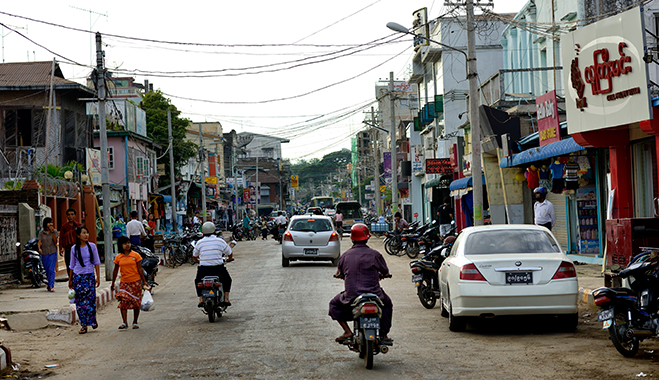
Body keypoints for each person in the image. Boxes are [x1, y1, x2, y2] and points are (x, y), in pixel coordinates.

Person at [328, 224, 393, 345]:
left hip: (352, 296)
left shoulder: (345, 256)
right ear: (367, 238)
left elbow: (339, 273)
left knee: (333, 304)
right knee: (387, 304)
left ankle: (347, 331)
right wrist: (385, 275)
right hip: (375, 295)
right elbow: (385, 271)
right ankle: (383, 335)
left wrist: (340, 275)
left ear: (352, 239)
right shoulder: (375, 255)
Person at [68, 226, 101, 334]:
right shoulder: (74, 248)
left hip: (89, 276)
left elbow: (96, 262)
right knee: (80, 302)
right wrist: (70, 280)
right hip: (78, 277)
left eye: (87, 233)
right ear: (78, 235)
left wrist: (98, 277)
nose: (86, 235)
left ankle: (92, 320)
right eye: (83, 233)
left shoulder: (92, 246)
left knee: (91, 300)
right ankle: (83, 324)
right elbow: (72, 265)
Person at [193, 222, 233, 307]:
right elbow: (229, 253)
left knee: (197, 281)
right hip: (218, 268)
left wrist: (198, 261)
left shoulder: (199, 242)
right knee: (227, 279)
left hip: (203, 269)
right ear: (214, 230)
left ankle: (201, 300)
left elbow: (194, 256)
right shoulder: (219, 241)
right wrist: (229, 259)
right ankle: (226, 299)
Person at [111, 236, 147, 330]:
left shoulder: (135, 255)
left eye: (128, 243)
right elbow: (115, 270)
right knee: (123, 301)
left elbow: (140, 269)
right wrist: (113, 283)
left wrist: (144, 281)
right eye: (125, 243)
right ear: (121, 245)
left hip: (136, 282)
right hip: (124, 283)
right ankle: (124, 322)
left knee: (136, 303)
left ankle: (135, 322)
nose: (127, 245)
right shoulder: (118, 257)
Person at [38, 217, 58, 292]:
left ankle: (51, 286)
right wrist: (39, 248)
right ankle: (49, 284)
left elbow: (56, 242)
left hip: (53, 252)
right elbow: (39, 241)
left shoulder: (54, 232)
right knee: (47, 270)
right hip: (45, 253)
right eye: (49, 222)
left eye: (51, 222)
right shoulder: (41, 233)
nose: (50, 224)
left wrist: (52, 233)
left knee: (51, 269)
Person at [60, 208, 82, 277]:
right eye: (68, 215)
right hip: (68, 250)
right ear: (67, 216)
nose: (70, 216)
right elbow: (61, 238)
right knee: (69, 265)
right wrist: (61, 248)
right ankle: (71, 280)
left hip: (78, 249)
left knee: (79, 264)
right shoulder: (64, 227)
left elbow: (83, 236)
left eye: (72, 214)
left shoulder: (79, 226)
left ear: (75, 216)